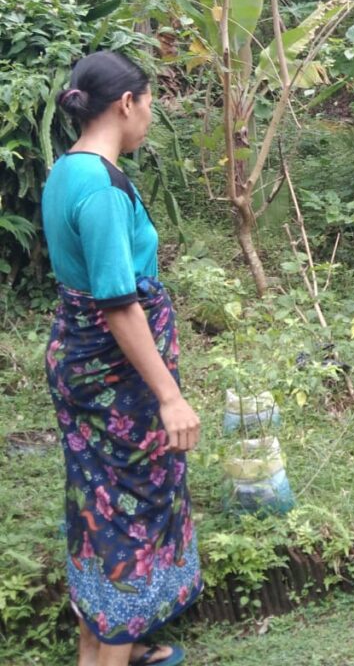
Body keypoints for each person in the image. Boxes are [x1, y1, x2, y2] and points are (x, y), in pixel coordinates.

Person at [42, 52, 202, 666]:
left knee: (98, 504)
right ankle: (106, 653)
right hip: (116, 376)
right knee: (126, 513)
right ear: (127, 103)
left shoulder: (68, 169)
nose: (150, 119)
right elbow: (117, 305)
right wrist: (170, 396)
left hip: (82, 365)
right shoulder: (103, 190)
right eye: (150, 105)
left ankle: (113, 645)